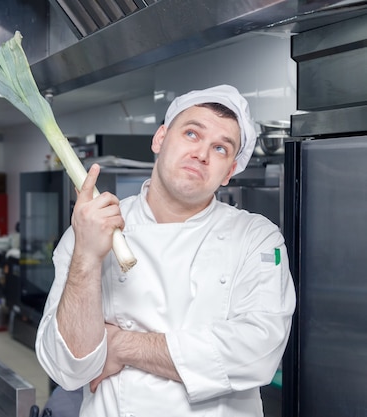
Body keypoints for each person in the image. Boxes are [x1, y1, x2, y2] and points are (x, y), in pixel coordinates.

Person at [35, 84, 296, 417]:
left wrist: (119, 345)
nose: (202, 154)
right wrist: (86, 256)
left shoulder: (256, 238)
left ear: (230, 171)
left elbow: (257, 355)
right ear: (160, 139)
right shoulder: (95, 227)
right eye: (191, 133)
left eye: (220, 148)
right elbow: (65, 368)